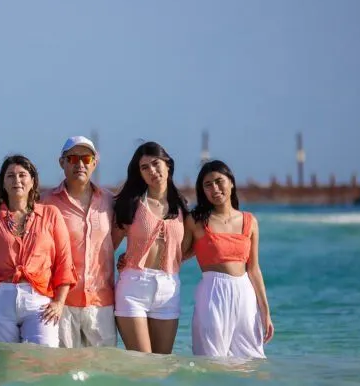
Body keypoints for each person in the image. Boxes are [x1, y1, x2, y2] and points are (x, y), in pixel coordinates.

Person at [0, 155, 76, 347]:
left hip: (39, 301)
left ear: (32, 181)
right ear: (3, 183)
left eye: (22, 175)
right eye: (10, 176)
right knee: (3, 360)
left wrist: (59, 302)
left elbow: (64, 261)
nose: (16, 180)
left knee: (44, 356)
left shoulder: (50, 215)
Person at [41, 136, 121, 348]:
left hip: (102, 303)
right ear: (62, 162)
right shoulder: (45, 202)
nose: (80, 164)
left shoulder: (110, 201)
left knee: (102, 367)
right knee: (64, 366)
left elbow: (133, 229)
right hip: (61, 303)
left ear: (95, 162)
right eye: (73, 158)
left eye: (86, 158)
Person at [189, 160, 274, 358]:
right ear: (202, 190)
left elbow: (254, 269)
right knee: (211, 358)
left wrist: (265, 312)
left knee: (251, 359)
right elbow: (177, 254)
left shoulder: (249, 221)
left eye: (219, 181)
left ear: (231, 182)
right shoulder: (196, 221)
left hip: (245, 294)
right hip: (212, 292)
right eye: (208, 184)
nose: (215, 188)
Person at [113, 142, 192, 354]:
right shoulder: (131, 204)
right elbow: (107, 246)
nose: (152, 171)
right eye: (144, 167)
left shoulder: (182, 206)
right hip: (133, 287)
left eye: (156, 164)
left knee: (162, 365)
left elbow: (191, 246)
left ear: (168, 165)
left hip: (169, 287)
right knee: (142, 363)